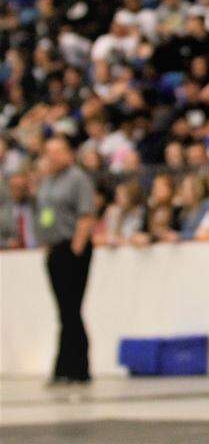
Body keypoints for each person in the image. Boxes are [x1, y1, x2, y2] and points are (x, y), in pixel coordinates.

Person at [34, 137, 97, 385]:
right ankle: (64, 366)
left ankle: (78, 367)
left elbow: (86, 214)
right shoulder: (47, 181)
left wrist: (76, 250)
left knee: (72, 309)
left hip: (72, 248)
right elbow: (45, 215)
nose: (52, 156)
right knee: (64, 311)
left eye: (57, 151)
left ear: (69, 153)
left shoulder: (77, 179)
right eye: (48, 152)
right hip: (55, 249)